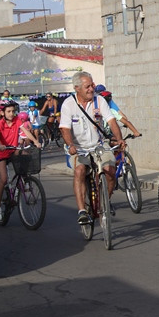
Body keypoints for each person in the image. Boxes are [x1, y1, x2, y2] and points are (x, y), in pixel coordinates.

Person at [59, 71, 126, 225]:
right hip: (78, 148)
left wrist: (119, 138)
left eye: (92, 85)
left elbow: (111, 121)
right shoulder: (68, 104)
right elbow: (64, 129)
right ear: (77, 88)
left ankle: (104, 203)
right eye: (87, 86)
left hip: (99, 145)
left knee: (110, 171)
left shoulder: (99, 100)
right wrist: (70, 145)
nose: (91, 88)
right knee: (80, 171)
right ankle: (82, 211)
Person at [0, 101, 41, 221]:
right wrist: (0, 144)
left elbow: (26, 132)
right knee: (4, 179)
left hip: (12, 149)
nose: (11, 114)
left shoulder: (17, 121)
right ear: (3, 113)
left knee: (25, 154)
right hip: (1, 152)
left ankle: (25, 179)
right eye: (8, 111)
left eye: (13, 111)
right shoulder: (0, 123)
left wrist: (35, 141)